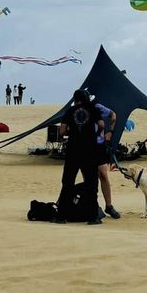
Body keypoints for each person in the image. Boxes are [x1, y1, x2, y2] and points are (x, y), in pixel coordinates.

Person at [55, 89, 107, 225]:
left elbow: (62, 131)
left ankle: (62, 216)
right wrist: (96, 135)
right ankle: (93, 217)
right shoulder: (92, 109)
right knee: (91, 183)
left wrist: (67, 134)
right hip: (90, 150)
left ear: (75, 99)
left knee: (67, 182)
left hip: (73, 150)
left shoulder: (70, 111)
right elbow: (102, 125)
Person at [93, 101, 122, 220]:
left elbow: (113, 115)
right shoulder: (78, 109)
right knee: (90, 177)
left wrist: (110, 131)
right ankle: (93, 206)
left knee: (103, 174)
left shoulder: (97, 107)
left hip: (99, 145)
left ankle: (109, 205)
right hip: (85, 146)